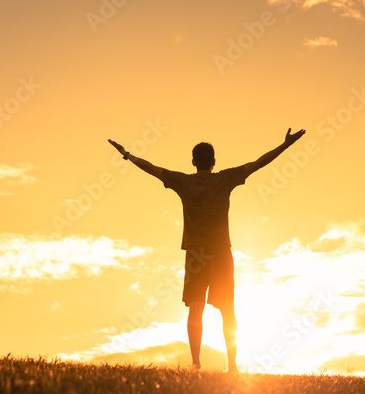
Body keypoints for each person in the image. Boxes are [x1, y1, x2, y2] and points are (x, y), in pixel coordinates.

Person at [108, 128, 306, 373]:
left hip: (196, 255)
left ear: (193, 162)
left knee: (195, 308)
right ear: (214, 162)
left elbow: (151, 168)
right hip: (221, 253)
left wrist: (127, 154)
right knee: (228, 311)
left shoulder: (183, 182)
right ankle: (232, 366)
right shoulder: (224, 179)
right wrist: (285, 145)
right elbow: (258, 164)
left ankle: (195, 364)